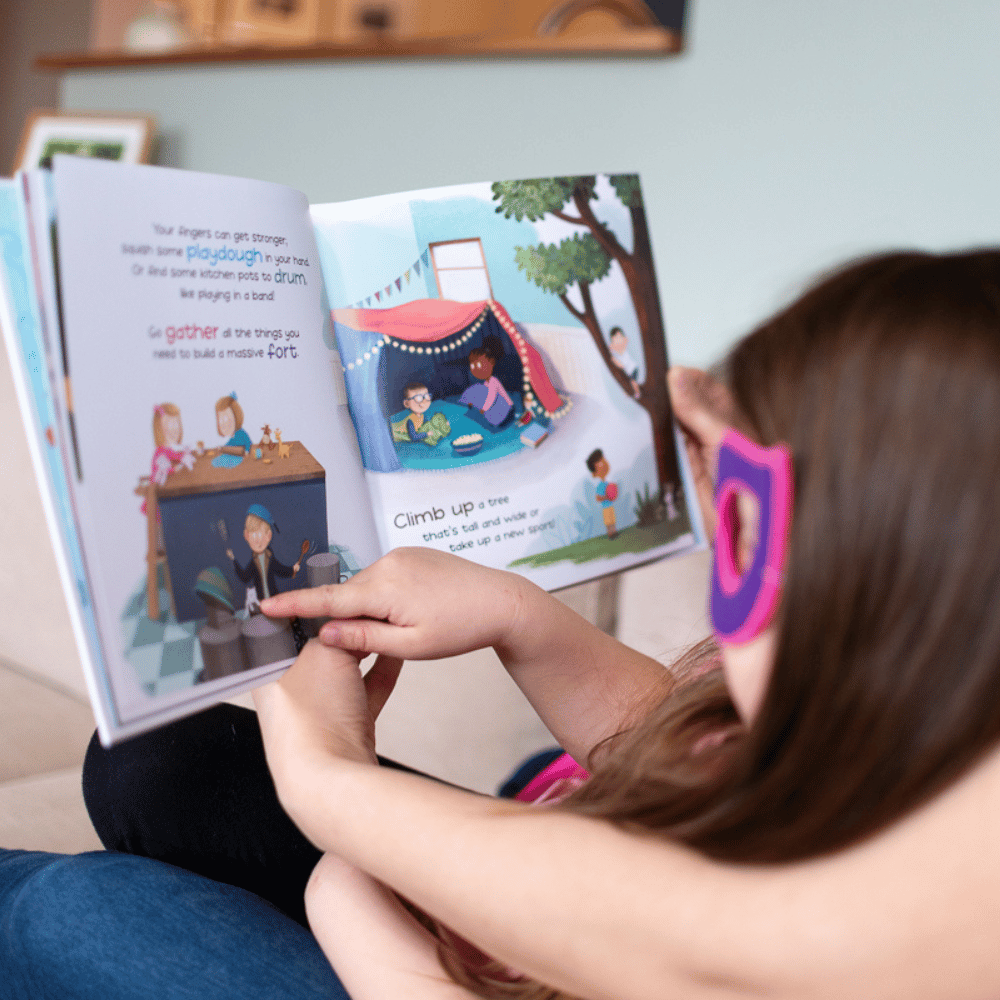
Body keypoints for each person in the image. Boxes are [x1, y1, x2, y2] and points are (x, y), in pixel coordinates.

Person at [6, 248, 1000, 999]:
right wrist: (525, 620)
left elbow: (701, 929)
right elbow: (695, 773)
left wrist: (336, 822)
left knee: (80, 910)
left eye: (739, 513)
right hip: (576, 934)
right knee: (163, 756)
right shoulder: (913, 732)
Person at [226, 503, 302, 609]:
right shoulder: (253, 563)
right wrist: (233, 559)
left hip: (274, 599)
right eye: (254, 535)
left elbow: (280, 570)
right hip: (261, 601)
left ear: (269, 535)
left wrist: (292, 570)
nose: (258, 540)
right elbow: (245, 577)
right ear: (246, 536)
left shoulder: (270, 558)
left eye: (260, 534)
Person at [458, 336, 514, 430]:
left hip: (508, 411)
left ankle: (498, 420)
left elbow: (491, 397)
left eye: (479, 365)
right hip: (504, 409)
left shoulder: (493, 381)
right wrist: (472, 402)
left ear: (491, 362)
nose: (475, 369)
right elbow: (482, 396)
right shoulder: (486, 382)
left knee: (480, 391)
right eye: (472, 366)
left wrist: (484, 409)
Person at [390, 382, 451, 446]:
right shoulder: (410, 421)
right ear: (407, 403)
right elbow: (413, 437)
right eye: (418, 398)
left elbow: (428, 424)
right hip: (395, 433)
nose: (424, 401)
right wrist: (426, 434)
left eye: (427, 396)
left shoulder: (422, 416)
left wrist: (444, 424)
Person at [212, 391, 253, 467]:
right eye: (220, 420)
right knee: (217, 462)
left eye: (226, 418)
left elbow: (248, 442)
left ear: (236, 416)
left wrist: (247, 451)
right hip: (232, 454)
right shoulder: (233, 436)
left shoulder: (241, 433)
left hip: (238, 456)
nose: (223, 423)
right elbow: (230, 445)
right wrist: (222, 448)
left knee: (228, 463)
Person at [586, 447, 619, 539]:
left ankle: (614, 532)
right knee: (608, 522)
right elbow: (598, 497)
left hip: (610, 505)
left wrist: (613, 492)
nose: (604, 464)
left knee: (612, 520)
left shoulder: (607, 483)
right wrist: (606, 497)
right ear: (594, 473)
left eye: (603, 460)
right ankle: (610, 534)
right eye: (600, 463)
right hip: (606, 507)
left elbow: (612, 493)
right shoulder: (600, 485)